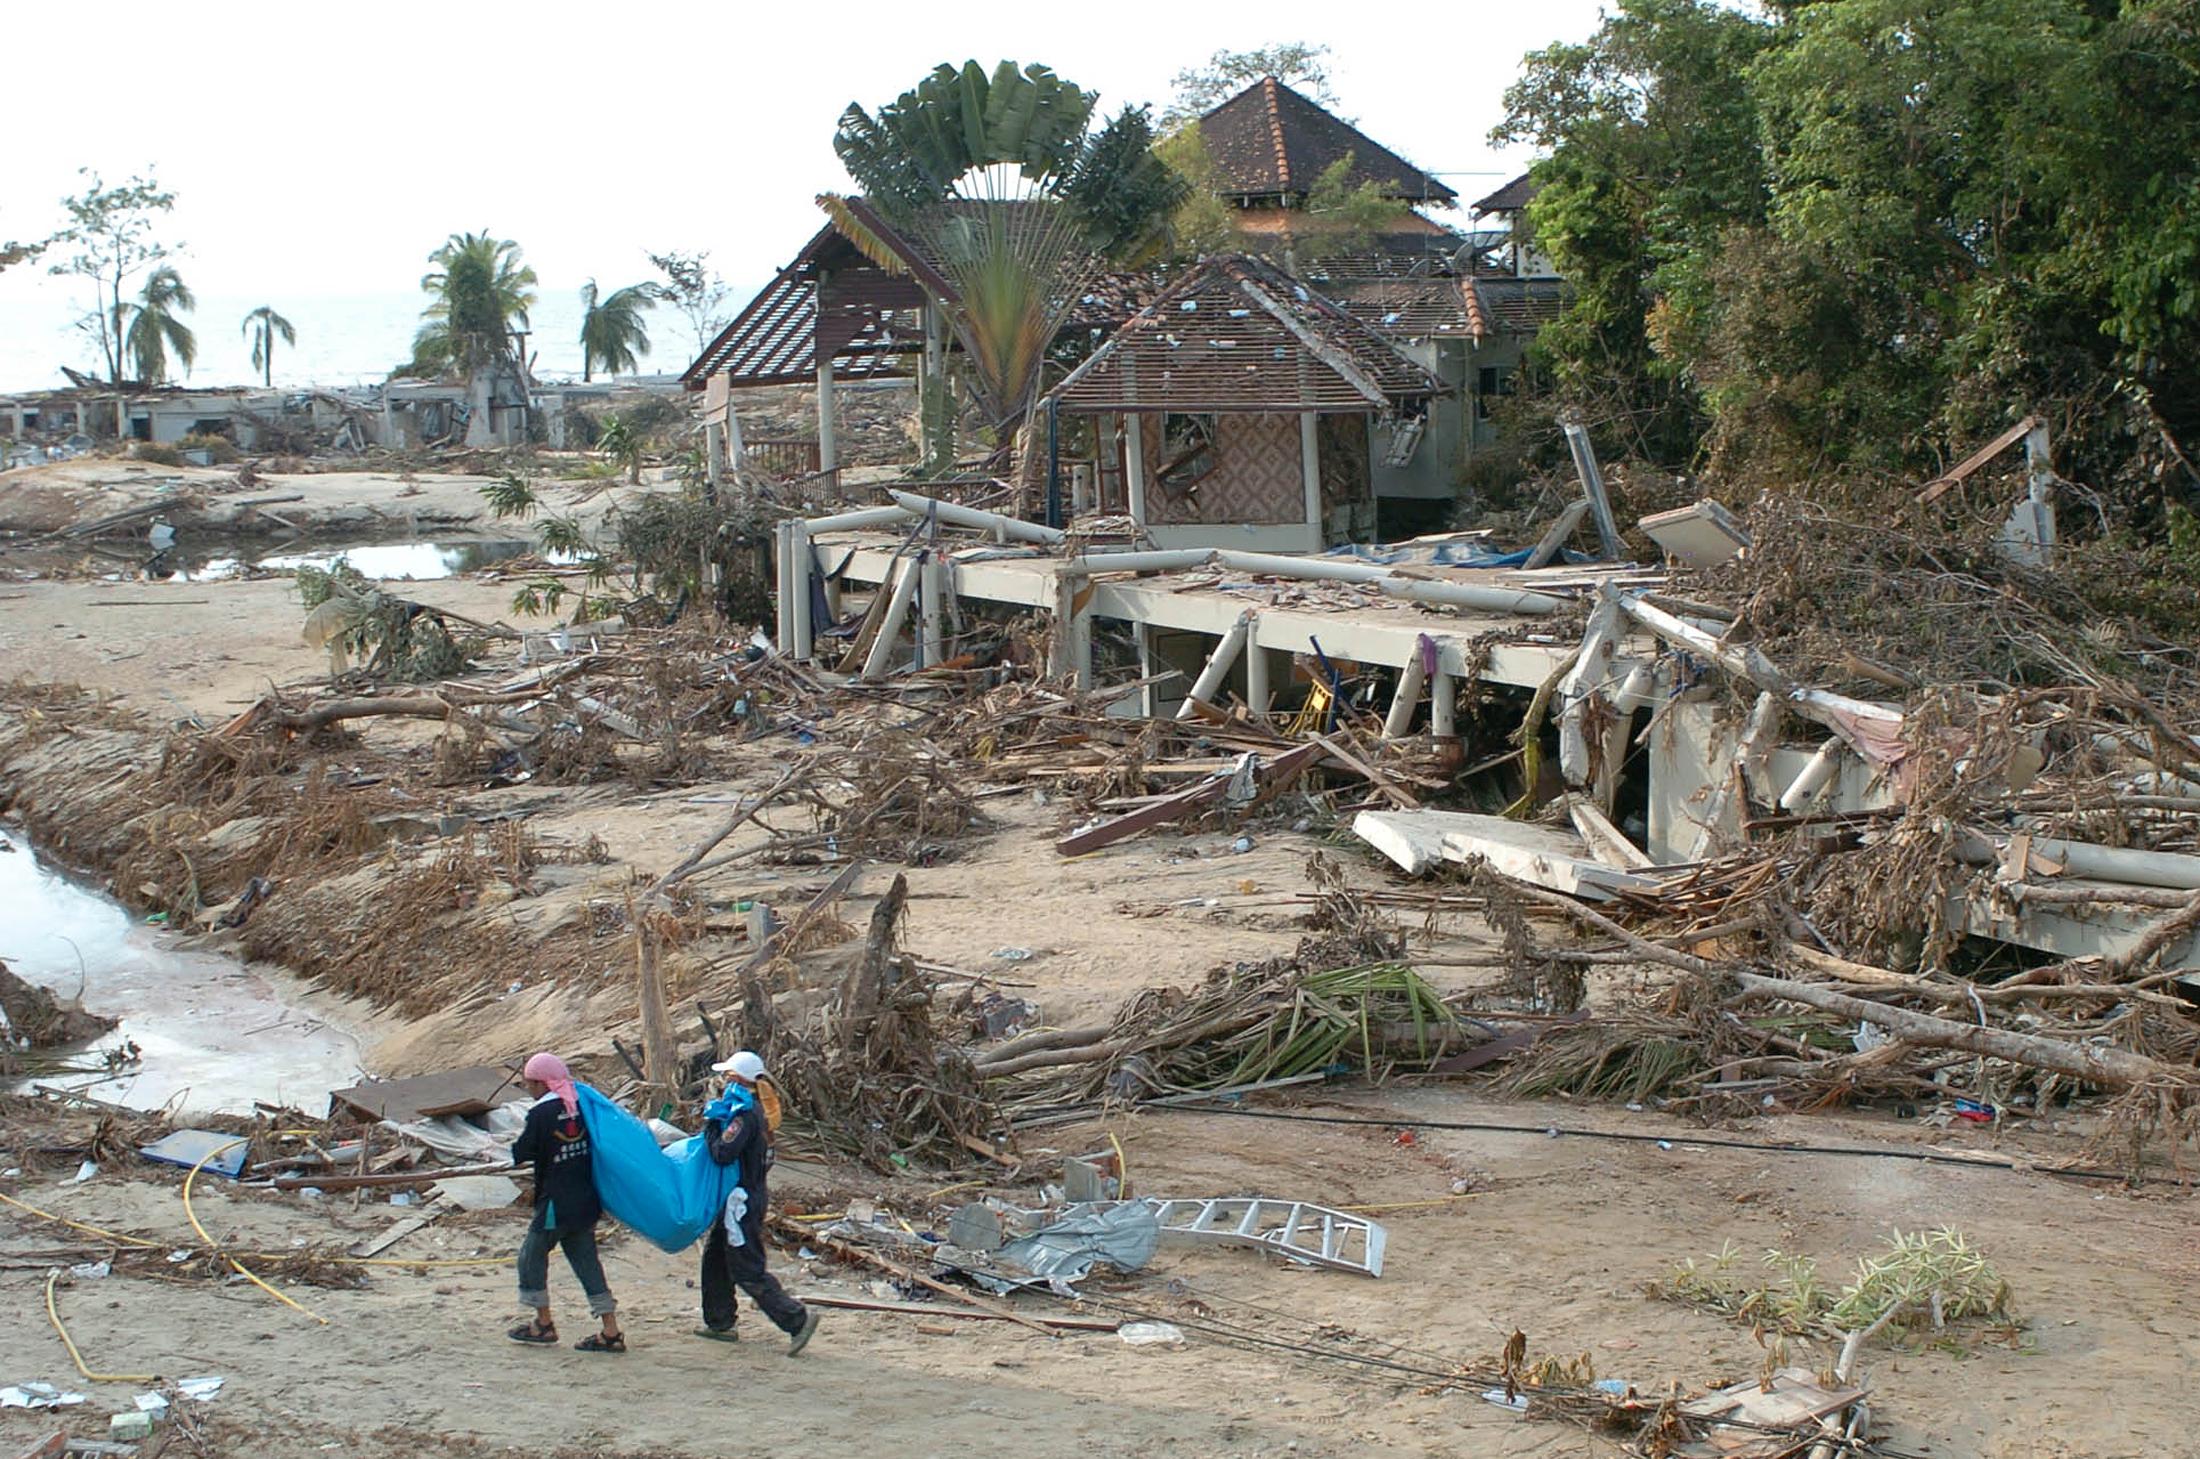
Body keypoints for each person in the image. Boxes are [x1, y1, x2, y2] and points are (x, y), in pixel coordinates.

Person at [695, 1050, 819, 1355]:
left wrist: (712, 1128)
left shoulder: (744, 1115)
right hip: (744, 1197)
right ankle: (720, 1321)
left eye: (727, 1076)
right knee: (715, 1258)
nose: (723, 1082)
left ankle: (796, 1320)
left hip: (741, 1202)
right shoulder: (758, 1112)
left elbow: (723, 1152)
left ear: (737, 1079)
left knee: (747, 1268)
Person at [508, 1051, 624, 1353]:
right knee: (587, 1263)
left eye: (529, 1083)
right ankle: (610, 1329)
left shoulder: (541, 1114)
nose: (528, 1089)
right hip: (586, 1200)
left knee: (531, 1257)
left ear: (541, 1083)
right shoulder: (582, 1105)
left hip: (555, 1204)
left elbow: (521, 1152)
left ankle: (543, 1323)